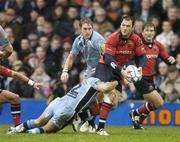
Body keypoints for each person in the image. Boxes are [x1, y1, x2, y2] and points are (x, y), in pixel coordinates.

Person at [86, 15, 147, 135]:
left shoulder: (136, 39)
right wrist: (122, 71)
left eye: (128, 26)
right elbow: (108, 58)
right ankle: (100, 128)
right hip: (105, 67)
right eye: (123, 25)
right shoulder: (113, 37)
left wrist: (140, 68)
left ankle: (86, 116)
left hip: (119, 70)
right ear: (120, 25)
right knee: (108, 95)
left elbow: (142, 56)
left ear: (132, 27)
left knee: (113, 103)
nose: (125, 28)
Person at [7, 77, 118, 134]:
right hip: (67, 109)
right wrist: (116, 82)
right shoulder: (95, 82)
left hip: (58, 102)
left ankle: (15, 130)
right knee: (47, 129)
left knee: (38, 121)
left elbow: (92, 105)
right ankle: (26, 133)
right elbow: (105, 88)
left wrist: (90, 121)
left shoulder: (87, 85)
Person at [129, 23, 175, 129]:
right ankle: (135, 113)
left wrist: (170, 59)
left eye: (151, 31)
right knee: (159, 102)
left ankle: (138, 123)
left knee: (152, 104)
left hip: (151, 78)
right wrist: (131, 72)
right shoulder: (137, 45)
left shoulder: (158, 45)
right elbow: (128, 59)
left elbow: (166, 58)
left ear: (154, 32)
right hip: (140, 78)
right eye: (147, 30)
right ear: (143, 32)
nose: (149, 33)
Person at [60, 17, 105, 82]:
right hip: (90, 69)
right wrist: (65, 71)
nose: (88, 31)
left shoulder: (98, 40)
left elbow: (107, 56)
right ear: (80, 29)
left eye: (90, 29)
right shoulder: (77, 41)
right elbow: (71, 56)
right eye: (85, 29)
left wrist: (100, 67)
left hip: (103, 68)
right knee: (84, 88)